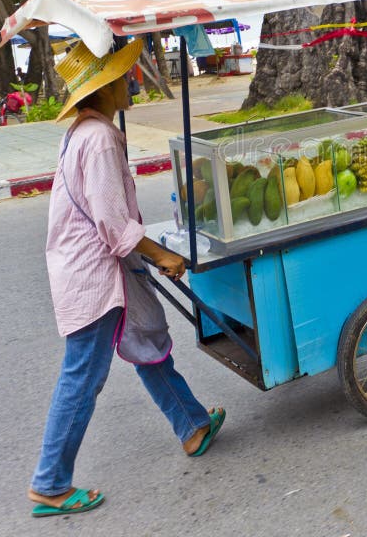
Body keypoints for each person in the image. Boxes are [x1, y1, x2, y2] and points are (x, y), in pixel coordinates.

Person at [28, 39, 224, 518]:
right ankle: (50, 483)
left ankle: (192, 425)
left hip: (106, 267)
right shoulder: (96, 139)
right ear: (106, 86)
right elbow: (113, 225)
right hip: (93, 276)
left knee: (146, 345)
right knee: (83, 376)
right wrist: (162, 256)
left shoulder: (91, 131)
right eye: (124, 74)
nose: (132, 79)